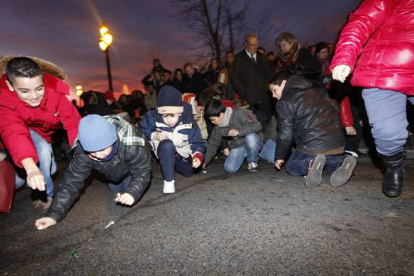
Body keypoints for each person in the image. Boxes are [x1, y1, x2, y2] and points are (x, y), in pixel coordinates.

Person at [331, 0, 414, 197]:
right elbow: (362, 20)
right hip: (385, 68)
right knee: (388, 133)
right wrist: (344, 56)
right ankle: (394, 165)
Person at [34, 114, 151, 230]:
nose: (98, 155)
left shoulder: (133, 143)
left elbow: (142, 171)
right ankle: (116, 180)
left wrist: (132, 192)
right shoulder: (84, 152)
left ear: (113, 140)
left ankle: (127, 182)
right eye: (92, 152)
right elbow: (70, 183)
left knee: (129, 190)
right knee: (116, 188)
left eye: (101, 149)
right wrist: (53, 215)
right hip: (111, 170)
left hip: (131, 169)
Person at [0, 56, 81, 210]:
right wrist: (30, 168)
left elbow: (73, 123)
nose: (34, 96)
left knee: (50, 169)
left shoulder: (55, 93)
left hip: (43, 135)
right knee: (39, 154)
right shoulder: (4, 99)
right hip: (18, 134)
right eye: (24, 91)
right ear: (10, 86)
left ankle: (17, 162)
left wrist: (82, 153)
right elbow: (14, 132)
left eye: (39, 88)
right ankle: (46, 196)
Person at [270, 70, 356, 188]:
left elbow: (285, 133)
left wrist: (279, 156)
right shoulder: (319, 91)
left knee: (292, 167)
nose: (273, 96)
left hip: (313, 145)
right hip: (338, 144)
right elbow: (335, 109)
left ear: (284, 83)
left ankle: (309, 163)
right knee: (327, 161)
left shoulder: (285, 101)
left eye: (274, 91)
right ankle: (341, 164)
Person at [140, 86, 205, 194]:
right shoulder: (152, 117)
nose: (168, 120)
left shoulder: (189, 121)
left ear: (179, 112)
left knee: (188, 173)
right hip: (164, 149)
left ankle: (174, 160)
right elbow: (141, 130)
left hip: (181, 154)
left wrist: (197, 155)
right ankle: (169, 181)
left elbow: (197, 142)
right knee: (167, 145)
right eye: (165, 116)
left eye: (172, 116)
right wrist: (154, 135)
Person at [203, 99, 263, 173]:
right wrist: (205, 161)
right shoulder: (218, 127)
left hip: (253, 139)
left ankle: (252, 161)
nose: (212, 122)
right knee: (230, 168)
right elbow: (212, 144)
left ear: (221, 115)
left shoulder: (241, 112)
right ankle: (248, 153)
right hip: (239, 144)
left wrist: (239, 131)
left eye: (213, 119)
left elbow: (258, 126)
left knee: (250, 138)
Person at [231, 33, 273, 129]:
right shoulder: (238, 59)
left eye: (256, 45)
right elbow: (234, 79)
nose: (255, 47)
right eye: (252, 45)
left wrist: (267, 88)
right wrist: (245, 92)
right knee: (254, 126)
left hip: (264, 98)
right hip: (250, 100)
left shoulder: (262, 57)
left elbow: (270, 75)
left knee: (268, 125)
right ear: (245, 44)